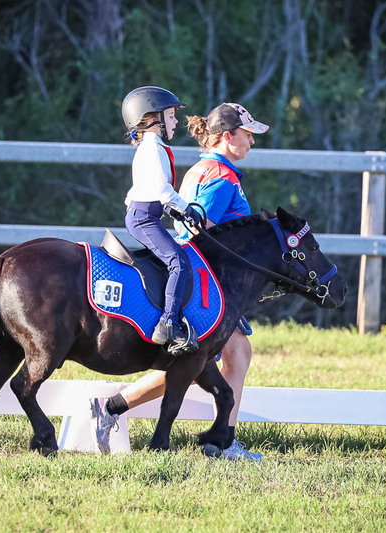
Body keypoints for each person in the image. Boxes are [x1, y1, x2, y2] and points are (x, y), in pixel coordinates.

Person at [90, 102, 269, 461]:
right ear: (227, 136)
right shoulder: (223, 178)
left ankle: (111, 408)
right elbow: (200, 228)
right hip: (208, 279)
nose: (252, 141)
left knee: (216, 356)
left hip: (200, 274)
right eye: (247, 134)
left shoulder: (201, 169)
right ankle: (223, 441)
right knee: (217, 357)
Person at [120, 86, 203, 355]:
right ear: (152, 118)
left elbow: (151, 191)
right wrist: (185, 209)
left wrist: (173, 210)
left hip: (146, 215)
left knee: (175, 260)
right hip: (144, 219)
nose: (176, 121)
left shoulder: (153, 147)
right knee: (179, 262)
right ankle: (167, 324)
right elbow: (162, 189)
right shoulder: (153, 149)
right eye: (171, 115)